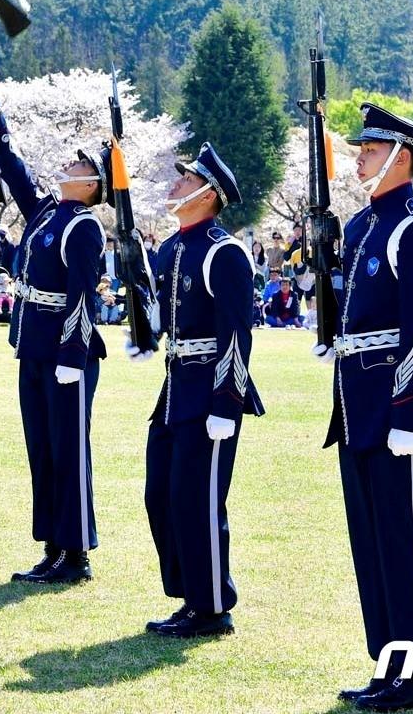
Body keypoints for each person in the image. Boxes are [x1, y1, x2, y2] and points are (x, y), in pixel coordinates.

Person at [313, 104, 413, 712]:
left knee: (405, 539)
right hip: (356, 405)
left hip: (396, 407)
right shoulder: (362, 226)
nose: (359, 158)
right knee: (372, 543)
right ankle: (391, 664)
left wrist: (412, 413)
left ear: (401, 157)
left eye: (370, 150)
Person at [0, 64, 108, 583]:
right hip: (34, 345)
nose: (65, 165)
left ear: (93, 183)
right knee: (42, 448)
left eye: (77, 164)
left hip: (65, 352)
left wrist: (72, 355)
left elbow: (83, 297)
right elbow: (13, 172)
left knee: (68, 450)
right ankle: (53, 546)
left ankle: (75, 554)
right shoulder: (47, 214)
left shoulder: (85, 225)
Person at [131, 140, 262, 638]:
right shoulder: (172, 247)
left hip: (210, 391)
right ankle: (190, 596)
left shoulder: (224, 253)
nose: (176, 184)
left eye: (186, 179)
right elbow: (163, 319)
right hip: (174, 389)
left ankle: (212, 607)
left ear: (208, 194)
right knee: (161, 495)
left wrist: (226, 403)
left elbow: (237, 334)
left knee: (198, 500)